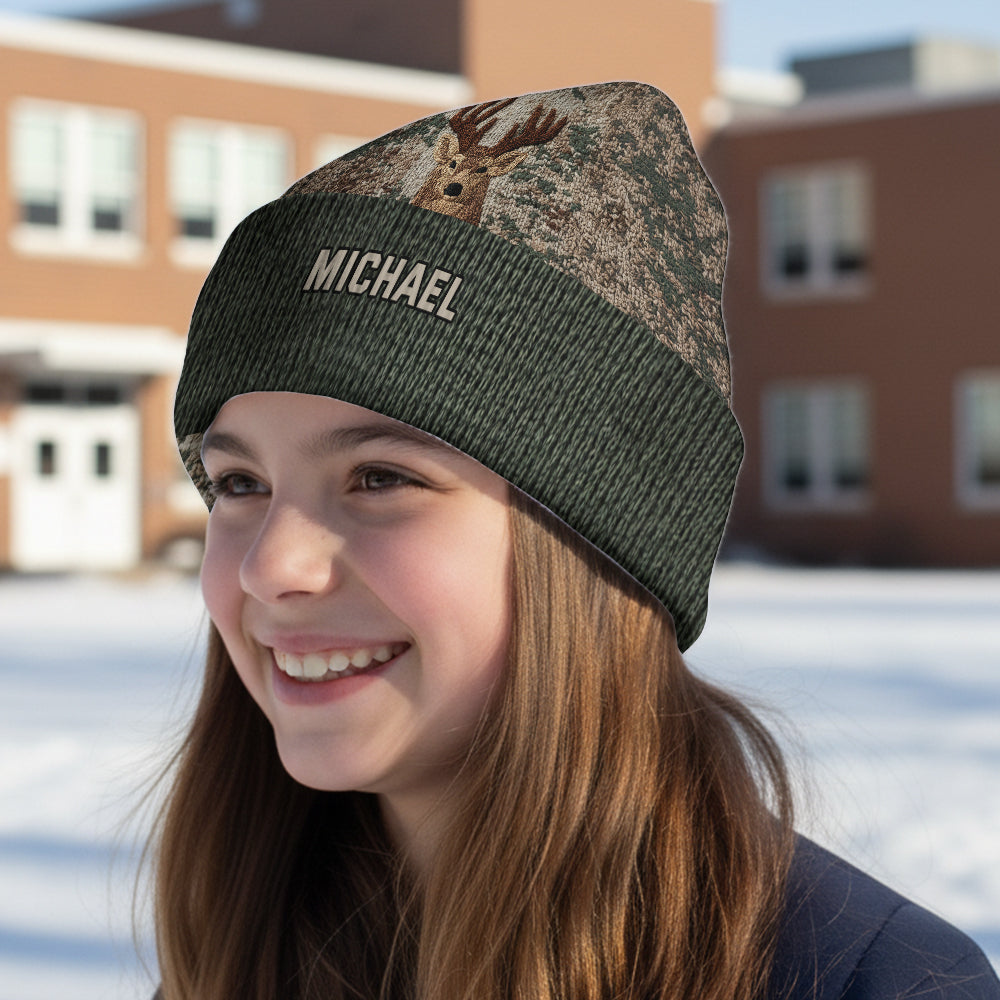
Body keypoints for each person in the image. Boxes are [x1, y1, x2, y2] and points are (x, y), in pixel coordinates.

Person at [156, 82, 999, 999]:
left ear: (597, 541)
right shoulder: (240, 952)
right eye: (239, 483)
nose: (271, 566)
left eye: (382, 478)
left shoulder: (880, 984)